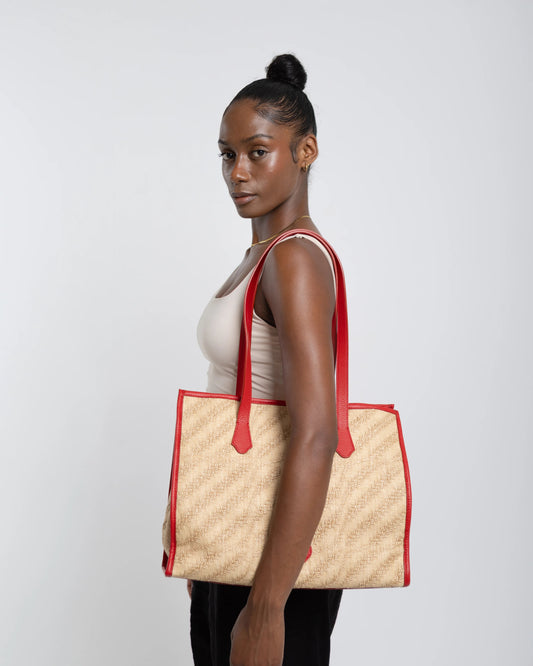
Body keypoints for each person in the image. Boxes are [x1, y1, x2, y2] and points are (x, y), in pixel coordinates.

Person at [191, 53, 343, 666]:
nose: (238, 172)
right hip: (235, 533)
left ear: (305, 151)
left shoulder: (294, 259)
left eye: (258, 152)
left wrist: (266, 607)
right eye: (227, 155)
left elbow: (316, 433)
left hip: (274, 561)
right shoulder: (261, 256)